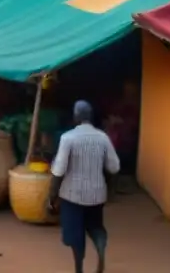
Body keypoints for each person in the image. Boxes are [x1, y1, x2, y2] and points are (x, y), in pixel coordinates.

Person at [47, 100, 120, 273]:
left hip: (73, 196)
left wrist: (51, 197)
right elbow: (114, 167)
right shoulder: (103, 138)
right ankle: (101, 249)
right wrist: (108, 189)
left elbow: (59, 171)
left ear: (76, 116)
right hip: (97, 195)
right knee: (96, 227)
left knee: (75, 235)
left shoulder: (68, 138)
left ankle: (79, 268)